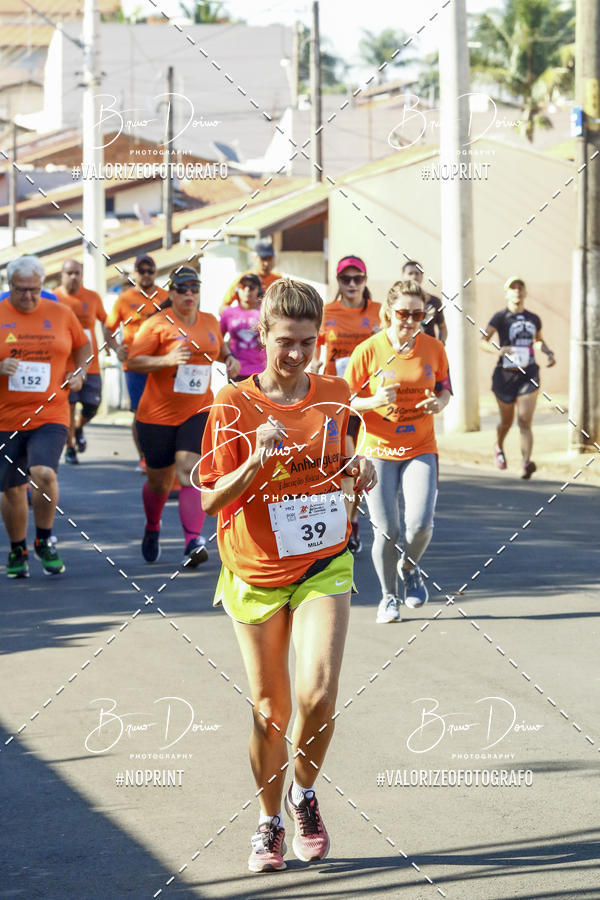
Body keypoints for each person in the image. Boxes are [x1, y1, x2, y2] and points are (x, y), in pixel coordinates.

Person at [199, 277, 376, 874]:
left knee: (319, 695)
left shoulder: (335, 392)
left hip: (324, 559)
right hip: (254, 567)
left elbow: (346, 460)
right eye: (284, 342)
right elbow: (207, 499)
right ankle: (268, 820)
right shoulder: (233, 404)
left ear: (318, 338)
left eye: (306, 342)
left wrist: (362, 469)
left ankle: (304, 795)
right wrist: (254, 459)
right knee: (271, 710)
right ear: (262, 335)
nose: (296, 354)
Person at [345, 279, 451, 624]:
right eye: (403, 313)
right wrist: (374, 401)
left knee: (420, 525)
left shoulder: (433, 347)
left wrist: (440, 403)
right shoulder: (368, 350)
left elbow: (445, 388)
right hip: (377, 448)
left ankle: (410, 566)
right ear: (389, 312)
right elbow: (345, 401)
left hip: (420, 445)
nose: (409, 320)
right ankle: (388, 597)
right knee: (387, 529)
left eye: (417, 314)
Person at [127, 266, 240, 566]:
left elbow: (218, 347)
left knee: (189, 469)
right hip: (156, 416)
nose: (189, 294)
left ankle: (193, 541)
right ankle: (152, 527)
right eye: (182, 288)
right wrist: (164, 359)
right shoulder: (156, 325)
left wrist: (229, 358)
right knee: (160, 484)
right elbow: (133, 361)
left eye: (194, 288)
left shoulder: (210, 321)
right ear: (172, 293)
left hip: (198, 410)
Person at [0, 256, 90, 577]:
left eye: (34, 290)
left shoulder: (61, 313)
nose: (28, 297)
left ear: (42, 287)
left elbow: (84, 345)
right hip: (5, 419)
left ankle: (44, 539)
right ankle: (17, 549)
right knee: (12, 490)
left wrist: (79, 372)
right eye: (20, 290)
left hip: (50, 412)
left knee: (43, 473)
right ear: (9, 286)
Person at [311, 255, 381, 555]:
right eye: (345, 279)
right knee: (347, 464)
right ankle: (347, 526)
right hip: (336, 397)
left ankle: (352, 520)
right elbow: (315, 353)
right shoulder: (327, 312)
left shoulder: (379, 313)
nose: (352, 285)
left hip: (370, 399)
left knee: (360, 465)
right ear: (338, 282)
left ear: (365, 280)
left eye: (357, 279)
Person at [481, 276, 555, 480]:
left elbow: (538, 341)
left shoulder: (533, 318)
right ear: (507, 293)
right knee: (507, 421)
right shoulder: (500, 317)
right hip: (505, 376)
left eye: (521, 288)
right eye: (513, 288)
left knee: (524, 421)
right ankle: (499, 445)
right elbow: (483, 341)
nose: (517, 291)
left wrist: (548, 352)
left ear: (525, 292)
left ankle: (525, 463)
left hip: (528, 373)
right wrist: (498, 349)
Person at [105, 254, 169, 471]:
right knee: (140, 411)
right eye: (142, 270)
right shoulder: (124, 299)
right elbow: (108, 329)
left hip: (161, 363)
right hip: (135, 364)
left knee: (163, 410)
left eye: (150, 270)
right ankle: (143, 456)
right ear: (134, 273)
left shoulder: (166, 296)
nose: (146, 274)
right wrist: (116, 349)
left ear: (155, 272)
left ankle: (162, 457)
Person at [55, 259, 120, 464]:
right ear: (62, 276)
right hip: (65, 365)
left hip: (89, 363)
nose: (74, 277)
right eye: (70, 273)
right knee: (70, 407)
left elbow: (106, 322)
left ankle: (80, 426)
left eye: (77, 273)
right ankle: (70, 447)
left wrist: (112, 344)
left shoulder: (92, 298)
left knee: (92, 405)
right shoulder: (54, 298)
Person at [219, 273, 266, 381]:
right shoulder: (228, 313)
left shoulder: (265, 312)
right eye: (243, 287)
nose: (247, 290)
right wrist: (227, 357)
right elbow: (217, 339)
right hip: (236, 371)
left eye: (252, 287)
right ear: (237, 290)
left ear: (258, 291)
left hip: (260, 371)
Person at [219, 239, 282, 312]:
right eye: (263, 259)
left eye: (269, 259)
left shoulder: (278, 280)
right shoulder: (243, 279)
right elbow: (222, 308)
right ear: (253, 258)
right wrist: (240, 316)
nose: (266, 263)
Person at [401, 260, 447, 344]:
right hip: (405, 349)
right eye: (410, 273)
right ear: (403, 276)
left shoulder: (434, 301)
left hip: (428, 349)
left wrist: (441, 344)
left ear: (422, 276)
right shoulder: (397, 301)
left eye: (417, 273)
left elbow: (442, 327)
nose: (414, 276)